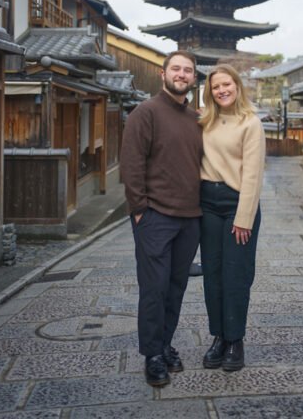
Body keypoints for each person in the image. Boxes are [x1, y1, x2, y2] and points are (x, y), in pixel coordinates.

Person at [120, 50, 203, 387]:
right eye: (176, 69)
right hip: (155, 216)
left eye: (188, 70)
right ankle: (152, 355)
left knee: (175, 288)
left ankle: (166, 344)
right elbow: (131, 163)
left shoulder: (196, 118)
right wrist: (140, 211)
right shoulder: (146, 112)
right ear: (163, 74)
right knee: (153, 289)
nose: (181, 74)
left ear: (194, 78)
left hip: (189, 218)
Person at [198, 64, 265, 372]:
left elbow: (253, 174)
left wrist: (244, 217)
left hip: (237, 202)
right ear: (209, 92)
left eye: (227, 84)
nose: (222, 90)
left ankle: (236, 340)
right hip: (207, 204)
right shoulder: (204, 121)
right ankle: (219, 337)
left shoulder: (250, 123)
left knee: (236, 274)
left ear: (237, 87)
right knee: (212, 274)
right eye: (215, 87)